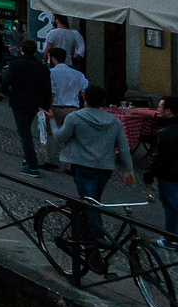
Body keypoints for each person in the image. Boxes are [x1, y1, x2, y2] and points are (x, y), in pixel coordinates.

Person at [51, 85, 137, 260]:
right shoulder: (114, 121)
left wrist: (52, 121)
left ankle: (96, 239)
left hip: (82, 165)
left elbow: (60, 137)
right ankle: (84, 237)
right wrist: (129, 170)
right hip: (104, 167)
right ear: (103, 101)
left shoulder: (75, 117)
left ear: (84, 98)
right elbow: (123, 148)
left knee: (90, 203)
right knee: (92, 201)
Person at [2, 39, 54, 176]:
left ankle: (32, 165)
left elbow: (6, 80)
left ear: (21, 49)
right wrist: (45, 105)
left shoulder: (15, 64)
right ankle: (28, 158)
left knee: (25, 134)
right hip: (34, 103)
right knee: (26, 130)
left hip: (19, 101)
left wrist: (6, 92)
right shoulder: (41, 68)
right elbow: (47, 88)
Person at [43, 48, 90, 166]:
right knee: (71, 136)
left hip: (56, 107)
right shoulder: (78, 74)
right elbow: (84, 93)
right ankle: (71, 164)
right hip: (73, 108)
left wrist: (49, 108)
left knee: (52, 134)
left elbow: (52, 92)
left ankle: (52, 160)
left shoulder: (51, 73)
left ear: (53, 59)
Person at [146, 96, 178, 247]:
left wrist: (150, 174)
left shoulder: (168, 132)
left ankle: (171, 239)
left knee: (171, 207)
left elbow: (160, 156)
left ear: (168, 111)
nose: (158, 110)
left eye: (160, 108)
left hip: (170, 174)